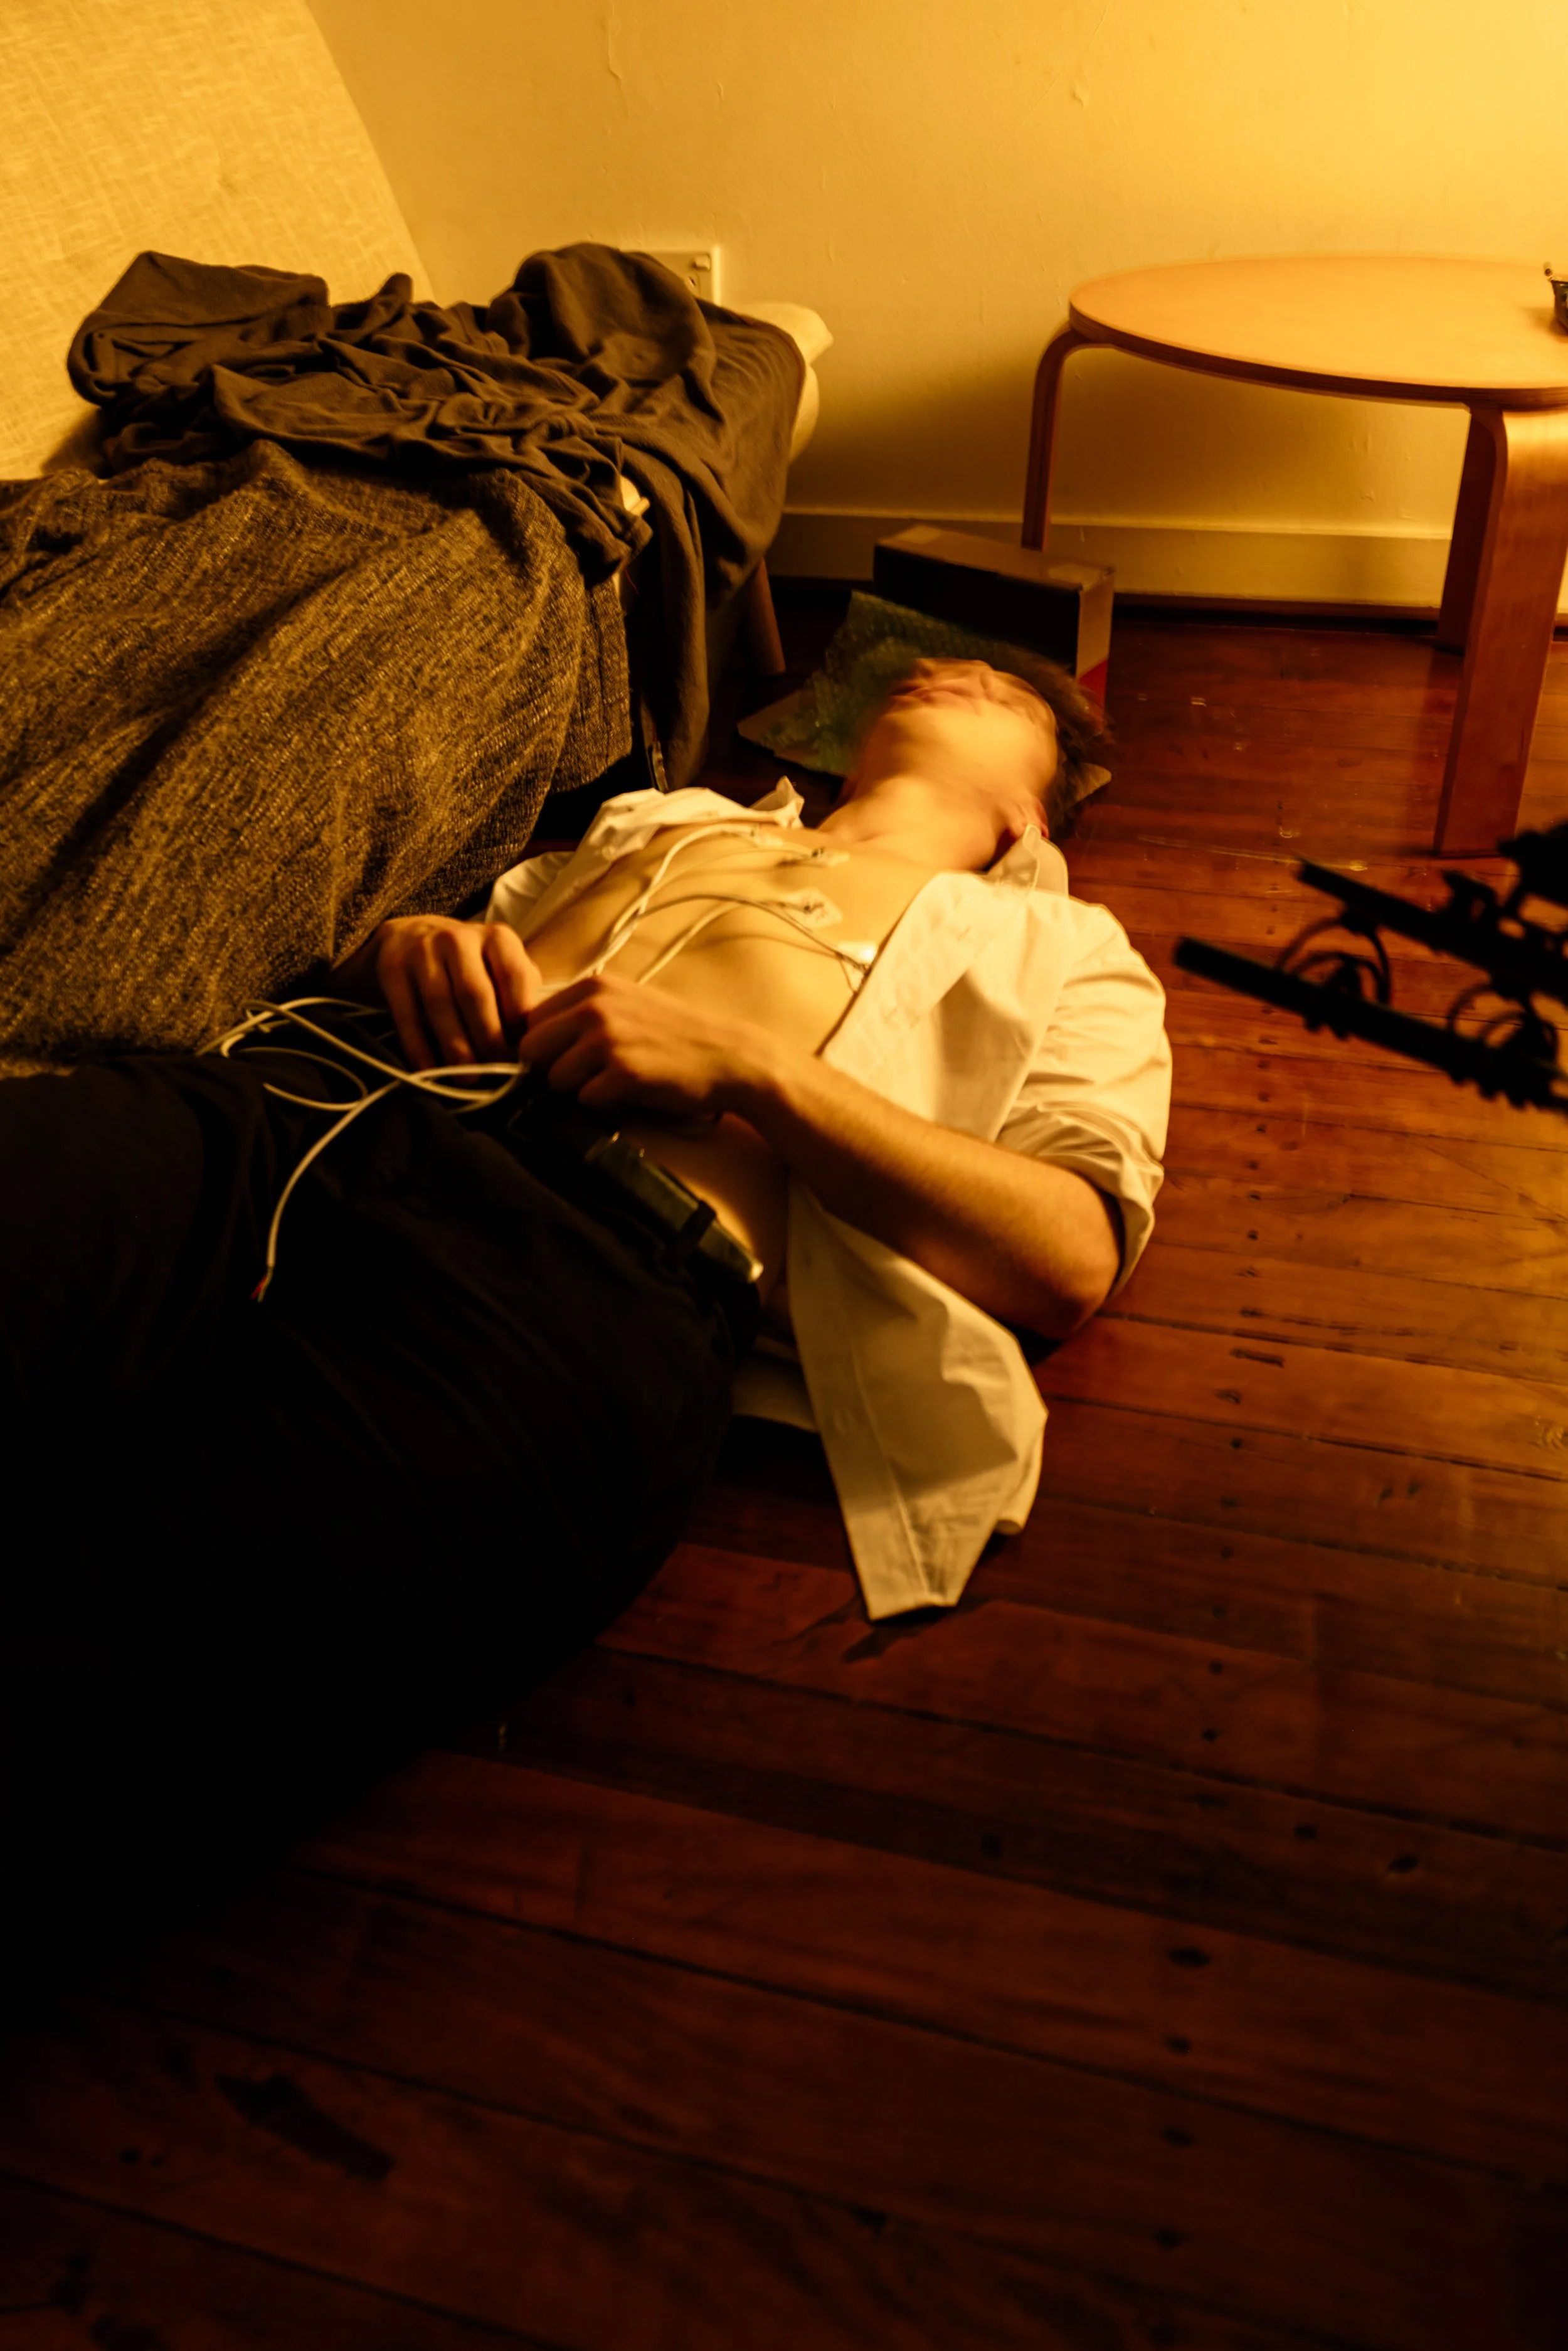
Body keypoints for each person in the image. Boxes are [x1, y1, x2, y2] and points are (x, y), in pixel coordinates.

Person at [0, 659, 1168, 1925]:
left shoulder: (1068, 950)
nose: (946, 667)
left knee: (118, 1678)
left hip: (583, 1276)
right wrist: (402, 949)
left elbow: (1068, 1253)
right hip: (309, 1101)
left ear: (1031, 817)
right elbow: (432, 957)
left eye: (997, 688)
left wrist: (756, 1070)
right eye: (933, 666)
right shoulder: (665, 817)